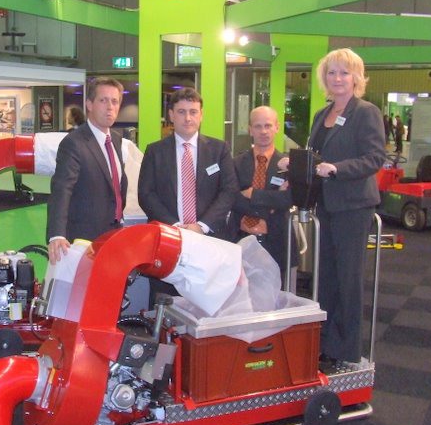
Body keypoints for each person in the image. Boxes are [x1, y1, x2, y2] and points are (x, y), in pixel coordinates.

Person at [280, 48, 386, 369]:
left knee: (348, 279)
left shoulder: (366, 112)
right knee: (325, 277)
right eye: (331, 72)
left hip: (353, 207)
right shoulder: (321, 114)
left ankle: (348, 349)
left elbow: (374, 158)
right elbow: (315, 157)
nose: (337, 78)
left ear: (356, 77)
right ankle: (326, 343)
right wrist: (294, 164)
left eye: (344, 72)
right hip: (324, 206)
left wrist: (338, 168)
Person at [138, 87, 238, 299]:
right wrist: (175, 227)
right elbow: (146, 194)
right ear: (171, 115)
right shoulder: (155, 151)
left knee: (206, 304)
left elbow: (229, 191)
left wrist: (201, 226)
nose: (188, 118)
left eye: (193, 112)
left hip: (209, 241)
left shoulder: (219, 150)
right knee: (164, 304)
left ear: (201, 115)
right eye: (181, 112)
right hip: (168, 241)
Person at [47, 77, 127, 263]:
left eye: (114, 101)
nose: (110, 107)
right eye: (103, 100)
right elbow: (62, 189)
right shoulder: (74, 143)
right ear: (89, 104)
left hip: (113, 234)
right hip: (82, 240)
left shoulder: (116, 140)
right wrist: (57, 234)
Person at [228, 106, 297, 290]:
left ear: (277, 127)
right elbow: (232, 199)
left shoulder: (289, 166)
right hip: (240, 240)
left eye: (268, 125)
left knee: (274, 299)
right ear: (250, 129)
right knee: (240, 298)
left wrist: (253, 194)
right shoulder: (235, 163)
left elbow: (289, 199)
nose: (263, 131)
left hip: (276, 242)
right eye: (258, 126)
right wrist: (271, 204)